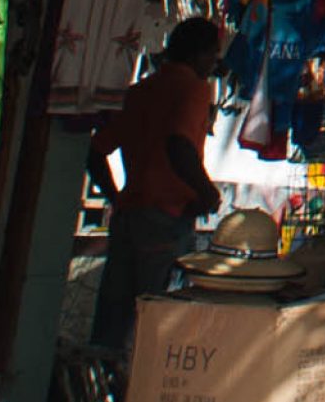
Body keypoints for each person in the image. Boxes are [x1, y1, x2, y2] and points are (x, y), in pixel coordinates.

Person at [88, 18, 224, 354]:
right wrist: (206, 192)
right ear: (199, 54)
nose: (213, 65)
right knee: (159, 325)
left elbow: (94, 152)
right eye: (212, 56)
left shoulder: (139, 93)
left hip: (129, 216)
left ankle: (101, 391)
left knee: (112, 324)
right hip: (167, 217)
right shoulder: (194, 89)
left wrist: (115, 197)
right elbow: (178, 145)